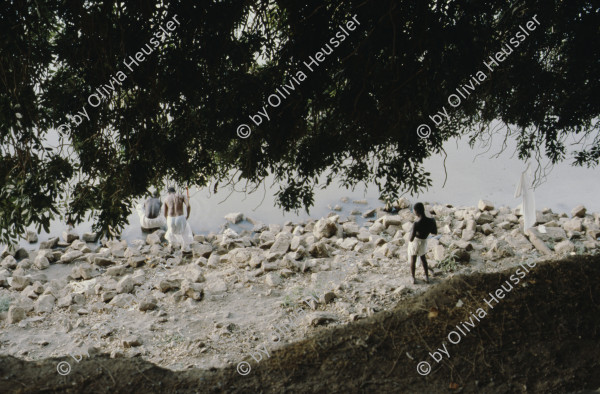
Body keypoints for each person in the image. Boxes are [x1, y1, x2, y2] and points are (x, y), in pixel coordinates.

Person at [408, 202, 437, 284]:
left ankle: (413, 277)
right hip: (424, 241)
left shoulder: (416, 223)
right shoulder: (432, 220)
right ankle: (426, 276)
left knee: (413, 259)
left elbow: (411, 239)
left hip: (415, 242)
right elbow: (434, 232)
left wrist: (411, 231)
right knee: (423, 258)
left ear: (416, 212)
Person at [164, 187, 193, 252]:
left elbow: (164, 213)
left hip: (170, 218)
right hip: (180, 217)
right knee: (185, 230)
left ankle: (171, 246)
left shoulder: (166, 198)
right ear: (175, 191)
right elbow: (188, 206)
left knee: (170, 231)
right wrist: (187, 216)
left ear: (168, 193)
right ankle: (185, 248)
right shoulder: (182, 196)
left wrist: (168, 220)